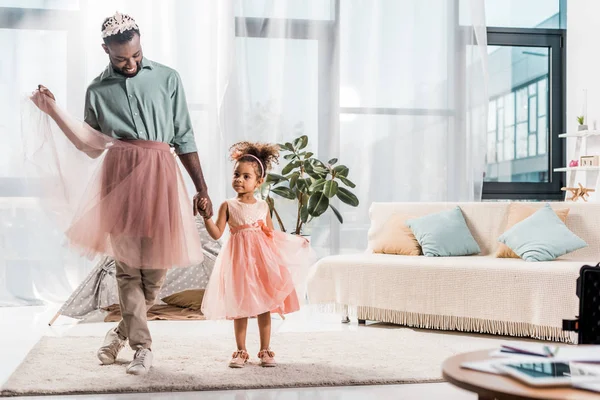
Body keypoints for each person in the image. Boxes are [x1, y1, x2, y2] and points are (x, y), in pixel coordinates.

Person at [32, 11, 212, 375]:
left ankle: (119, 333)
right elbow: (90, 145)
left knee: (154, 277)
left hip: (161, 178)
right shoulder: (97, 90)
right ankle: (142, 347)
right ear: (105, 50)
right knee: (128, 272)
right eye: (120, 59)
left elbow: (184, 137)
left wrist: (202, 187)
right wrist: (53, 112)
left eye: (136, 55)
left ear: (141, 42)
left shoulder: (167, 78)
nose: (130, 64)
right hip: (121, 181)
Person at [199, 141, 315, 368]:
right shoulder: (227, 205)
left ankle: (265, 349)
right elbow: (216, 234)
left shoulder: (263, 206)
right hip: (238, 263)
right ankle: (241, 351)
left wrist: (294, 242)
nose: (239, 180)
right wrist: (206, 216)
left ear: (259, 182)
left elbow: (271, 235)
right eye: (236, 175)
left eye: (246, 176)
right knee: (239, 306)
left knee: (264, 306)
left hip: (262, 262)